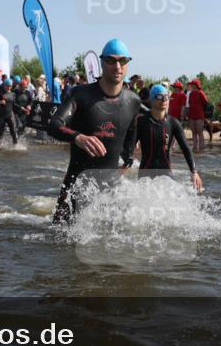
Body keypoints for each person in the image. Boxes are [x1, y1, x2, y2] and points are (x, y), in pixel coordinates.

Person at [47, 39, 140, 224]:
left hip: (110, 189)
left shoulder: (133, 101)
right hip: (77, 184)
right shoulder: (81, 94)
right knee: (61, 245)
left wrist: (128, 162)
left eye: (123, 61)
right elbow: (54, 124)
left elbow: (131, 134)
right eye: (111, 60)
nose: (117, 66)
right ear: (102, 62)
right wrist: (77, 137)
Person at [134, 84, 202, 191]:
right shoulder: (142, 121)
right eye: (160, 97)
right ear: (152, 100)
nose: (164, 100)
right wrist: (123, 165)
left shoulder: (173, 123)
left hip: (166, 173)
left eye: (166, 97)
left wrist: (194, 172)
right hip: (145, 172)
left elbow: (186, 148)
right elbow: (129, 147)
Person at [185, 79, 208, 152]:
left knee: (200, 132)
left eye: (192, 84)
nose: (191, 85)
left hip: (199, 115)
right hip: (191, 115)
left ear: (196, 85)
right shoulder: (191, 93)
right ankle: (195, 147)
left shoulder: (200, 93)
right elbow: (189, 104)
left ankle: (202, 148)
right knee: (193, 132)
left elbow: (205, 103)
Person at [0, 78, 19, 147]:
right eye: (7, 85)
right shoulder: (0, 93)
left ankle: (15, 146)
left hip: (10, 115)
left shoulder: (13, 94)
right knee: (0, 132)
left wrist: (22, 108)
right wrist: (0, 101)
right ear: (5, 85)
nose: (9, 87)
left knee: (14, 131)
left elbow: (15, 104)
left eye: (10, 86)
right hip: (1, 115)